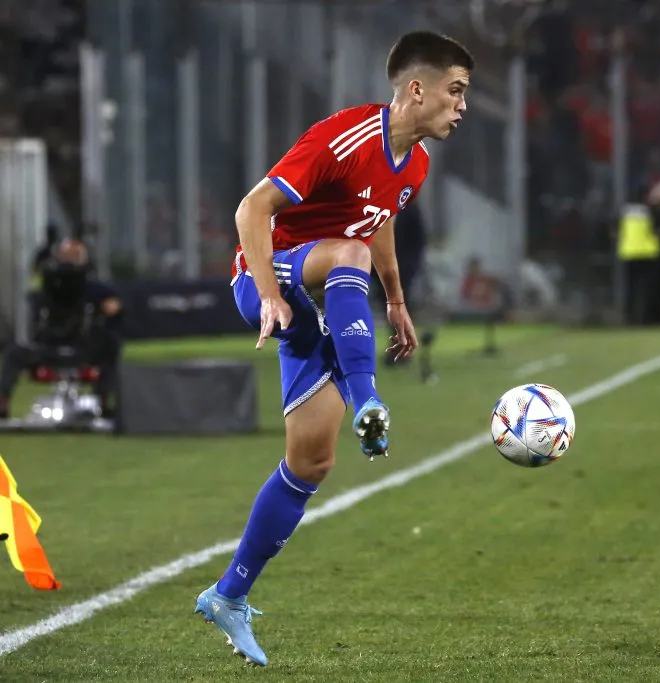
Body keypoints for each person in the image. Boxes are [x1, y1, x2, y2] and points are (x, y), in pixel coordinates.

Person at [193, 31, 473, 666]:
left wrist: (397, 298)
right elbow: (250, 210)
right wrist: (266, 293)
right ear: (416, 89)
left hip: (323, 295)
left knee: (311, 462)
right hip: (268, 282)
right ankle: (370, 399)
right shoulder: (343, 136)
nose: (462, 106)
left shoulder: (418, 162)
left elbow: (377, 221)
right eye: (455, 92)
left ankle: (228, 595)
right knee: (345, 257)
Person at [0, 238, 122, 419]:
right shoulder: (46, 288)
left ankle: (101, 400)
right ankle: (2, 404)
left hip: (82, 349)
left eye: (74, 256)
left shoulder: (95, 289)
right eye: (67, 256)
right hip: (48, 349)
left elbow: (115, 306)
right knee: (14, 353)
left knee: (111, 343)